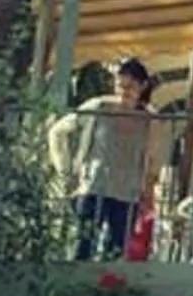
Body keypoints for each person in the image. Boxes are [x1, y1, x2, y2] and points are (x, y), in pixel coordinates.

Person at [47, 57, 157, 262]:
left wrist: (147, 193)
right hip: (95, 186)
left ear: (142, 87)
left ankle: (107, 290)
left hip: (127, 192)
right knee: (83, 246)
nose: (124, 92)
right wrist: (65, 168)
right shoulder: (100, 107)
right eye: (120, 85)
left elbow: (149, 158)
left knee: (116, 252)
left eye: (131, 86)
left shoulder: (148, 119)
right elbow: (58, 131)